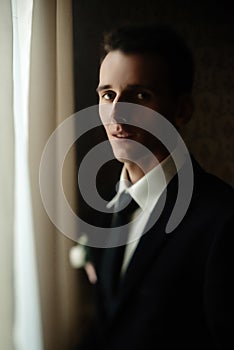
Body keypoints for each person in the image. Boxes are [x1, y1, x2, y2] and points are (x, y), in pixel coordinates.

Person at [77, 24, 234, 350]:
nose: (117, 113)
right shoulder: (107, 206)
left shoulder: (223, 220)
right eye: (108, 95)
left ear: (182, 110)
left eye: (139, 95)